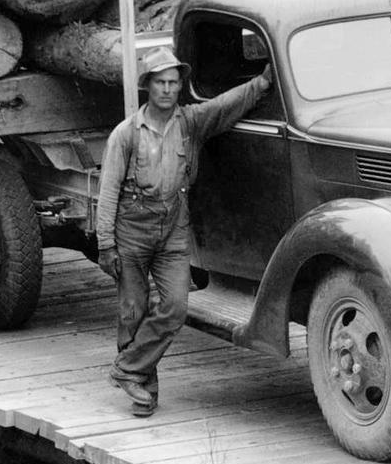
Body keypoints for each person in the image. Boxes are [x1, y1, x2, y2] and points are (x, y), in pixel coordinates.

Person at [94, 45, 272, 416]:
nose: (167, 89)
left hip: (173, 231)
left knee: (175, 307)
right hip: (131, 232)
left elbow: (224, 106)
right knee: (133, 311)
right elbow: (107, 191)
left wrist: (263, 82)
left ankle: (127, 369)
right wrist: (106, 244)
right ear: (147, 85)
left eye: (173, 82)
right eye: (160, 82)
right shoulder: (126, 135)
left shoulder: (190, 123)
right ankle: (144, 391)